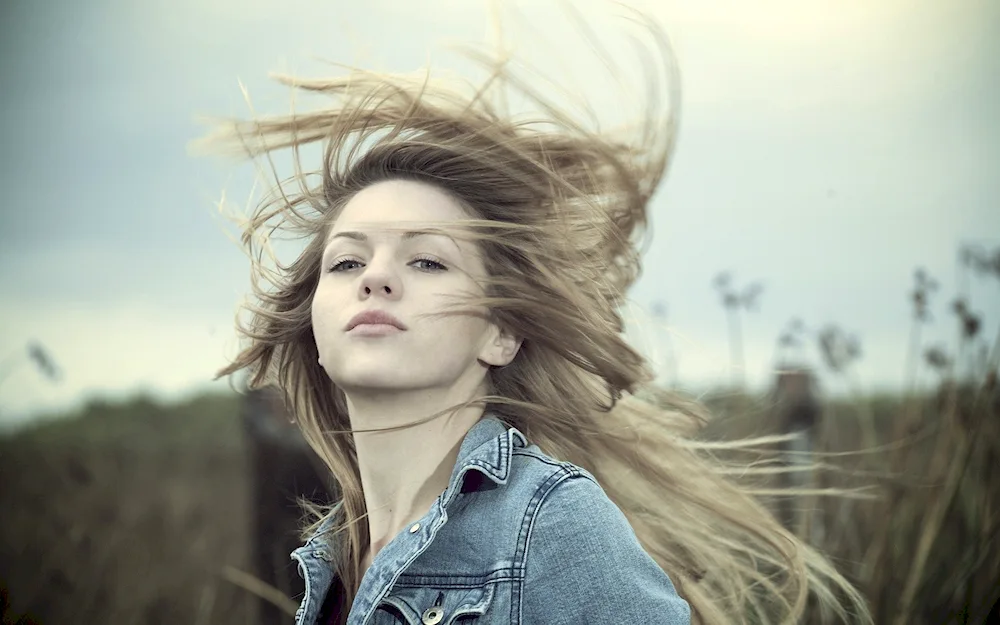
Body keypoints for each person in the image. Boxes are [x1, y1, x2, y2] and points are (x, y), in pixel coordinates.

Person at [199, 8, 870, 625]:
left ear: (501, 331)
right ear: (314, 327)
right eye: (346, 263)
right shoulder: (330, 560)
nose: (375, 275)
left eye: (427, 261)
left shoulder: (550, 522)